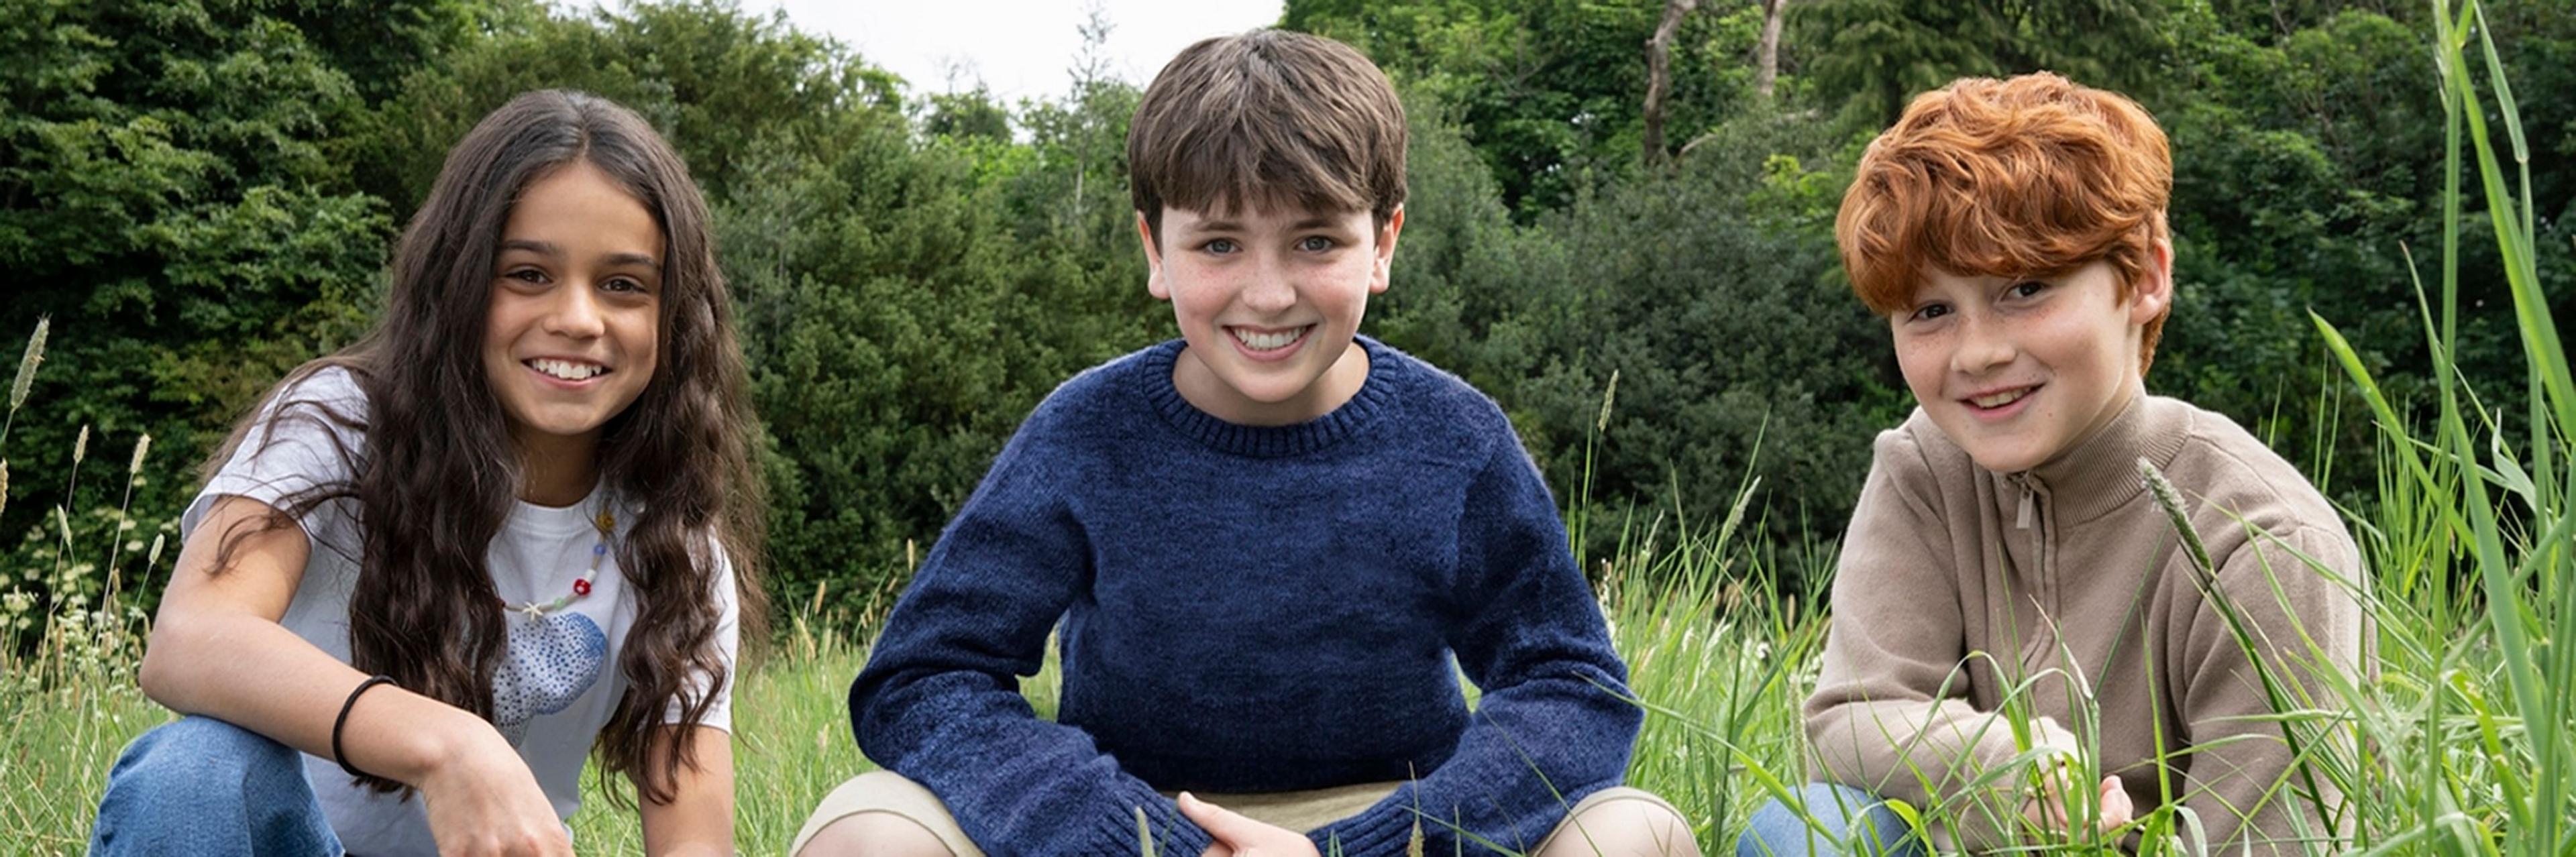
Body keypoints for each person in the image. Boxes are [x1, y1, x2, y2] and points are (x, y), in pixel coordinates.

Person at [793, 28, 1699, 857]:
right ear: (1156, 247)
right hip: (1134, 824)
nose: (1268, 295)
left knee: (1633, 830)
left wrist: (1374, 842)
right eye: (1220, 244)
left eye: (1315, 240)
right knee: (866, 828)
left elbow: (1571, 682)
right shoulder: (1085, 432)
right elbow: (923, 676)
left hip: (1392, 824)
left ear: (1383, 242)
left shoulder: (1453, 436)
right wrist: (1119, 827)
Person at [88, 89, 763, 857]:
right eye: (528, 274)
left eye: (624, 285)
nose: (580, 318)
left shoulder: (675, 543)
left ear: (676, 315)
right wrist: (448, 744)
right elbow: (192, 638)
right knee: (197, 770)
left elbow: (693, 847)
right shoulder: (338, 424)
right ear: (458, 282)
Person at [1736, 73, 2367, 856]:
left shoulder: (2264, 541)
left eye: (2026, 288)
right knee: (1802, 832)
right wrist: (2012, 775)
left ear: (2145, 278)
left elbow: (2276, 840)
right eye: (1931, 311)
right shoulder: (1924, 469)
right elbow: (1852, 718)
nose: (1980, 353)